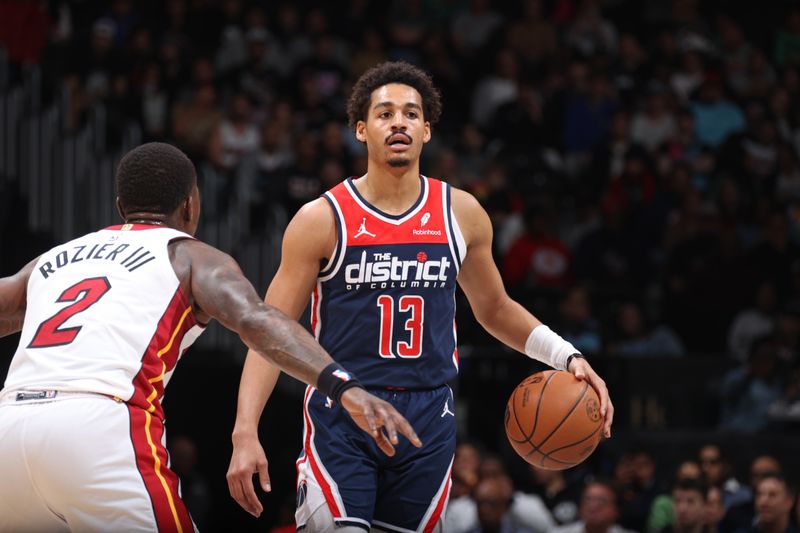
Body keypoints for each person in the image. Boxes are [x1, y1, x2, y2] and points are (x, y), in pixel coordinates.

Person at [226, 61, 613, 531]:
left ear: (426, 131)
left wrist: (566, 356)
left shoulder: (462, 213)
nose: (399, 123)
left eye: (411, 114)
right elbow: (271, 330)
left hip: (428, 419)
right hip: (343, 410)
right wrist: (245, 431)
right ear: (361, 129)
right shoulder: (321, 218)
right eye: (385, 113)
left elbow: (494, 309)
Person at [0, 142, 420, 532]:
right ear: (190, 204)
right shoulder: (190, 255)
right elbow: (257, 321)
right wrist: (342, 385)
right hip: (97, 426)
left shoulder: (52, 259)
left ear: (120, 207)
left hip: (10, 425)